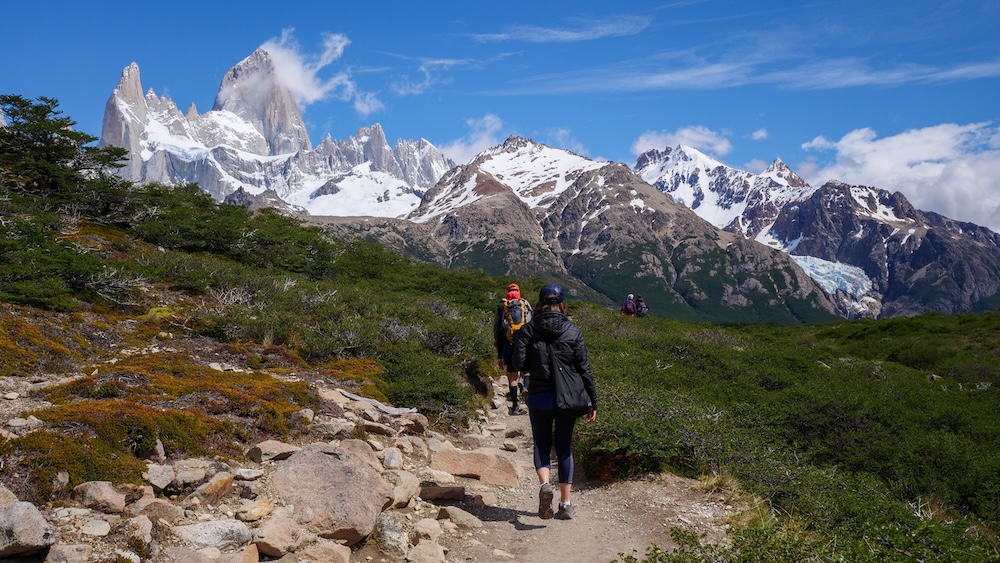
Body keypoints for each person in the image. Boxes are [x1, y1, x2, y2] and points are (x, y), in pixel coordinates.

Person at [513, 283, 598, 520]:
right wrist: (593, 401)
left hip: (539, 396)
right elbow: (584, 369)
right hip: (567, 399)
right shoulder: (572, 330)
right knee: (563, 448)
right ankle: (566, 504)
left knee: (541, 444)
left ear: (539, 303)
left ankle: (544, 486)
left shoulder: (528, 329)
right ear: (561, 303)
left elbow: (518, 363)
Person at [492, 282, 533, 415]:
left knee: (512, 375)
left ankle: (515, 406)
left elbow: (497, 327)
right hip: (525, 342)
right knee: (527, 370)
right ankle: (526, 386)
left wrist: (498, 349)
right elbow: (532, 322)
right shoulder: (525, 304)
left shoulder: (502, 305)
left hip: (508, 343)